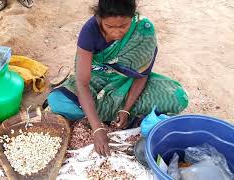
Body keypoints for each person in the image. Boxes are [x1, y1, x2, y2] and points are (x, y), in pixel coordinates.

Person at [46, 0, 188, 156]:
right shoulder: (89, 31)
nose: (116, 33)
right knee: (58, 101)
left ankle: (118, 112)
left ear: (133, 17)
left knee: (178, 98)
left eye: (123, 26)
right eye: (109, 27)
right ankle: (125, 116)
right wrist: (97, 128)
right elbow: (82, 82)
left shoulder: (143, 31)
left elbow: (142, 76)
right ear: (99, 18)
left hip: (127, 80)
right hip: (97, 77)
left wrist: (126, 109)